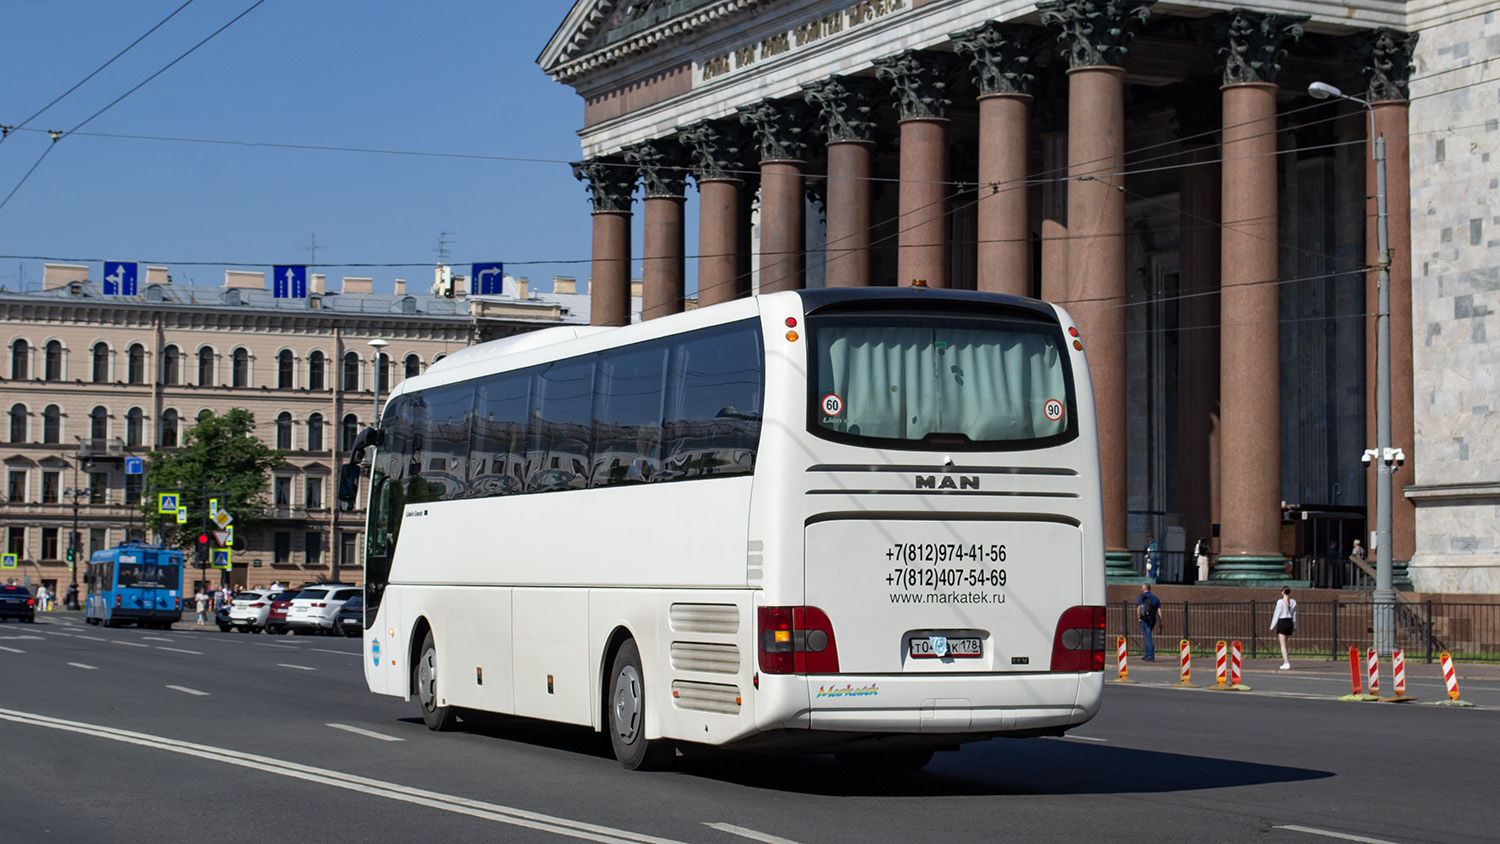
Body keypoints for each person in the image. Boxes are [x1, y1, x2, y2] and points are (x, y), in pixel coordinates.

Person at [1270, 586, 1298, 669]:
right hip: (1289, 622)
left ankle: (1286, 662)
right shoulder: (1293, 602)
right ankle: (1286, 661)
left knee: (1283, 645)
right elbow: (1294, 615)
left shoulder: (1280, 602)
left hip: (1282, 622)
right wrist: (1295, 626)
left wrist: (1272, 626)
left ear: (1282, 592)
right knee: (1285, 644)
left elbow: (1276, 614)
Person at [1137, 583, 1162, 661]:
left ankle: (1150, 655)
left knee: (1147, 637)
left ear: (1143, 589)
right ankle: (1146, 654)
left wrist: (1139, 617)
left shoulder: (1142, 597)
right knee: (1147, 636)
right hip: (1152, 619)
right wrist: (1161, 621)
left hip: (1144, 619)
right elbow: (1159, 610)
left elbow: (1139, 607)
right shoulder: (1155, 598)